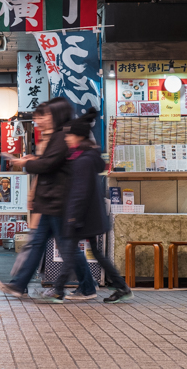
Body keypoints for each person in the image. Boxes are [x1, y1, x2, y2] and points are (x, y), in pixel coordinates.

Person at [0, 97, 94, 303]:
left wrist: (25, 163)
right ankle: (19, 285)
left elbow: (48, 165)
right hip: (50, 201)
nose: (41, 119)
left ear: (56, 114)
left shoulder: (60, 137)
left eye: (46, 115)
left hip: (58, 201)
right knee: (40, 244)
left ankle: (87, 287)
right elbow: (48, 163)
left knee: (66, 247)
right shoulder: (53, 137)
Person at [57, 109, 133, 303]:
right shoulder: (88, 156)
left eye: (69, 135)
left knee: (70, 249)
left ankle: (57, 290)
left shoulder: (82, 160)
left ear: (79, 136)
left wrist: (72, 216)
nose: (67, 139)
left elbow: (79, 192)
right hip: (91, 214)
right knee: (94, 253)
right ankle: (122, 287)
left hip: (83, 215)